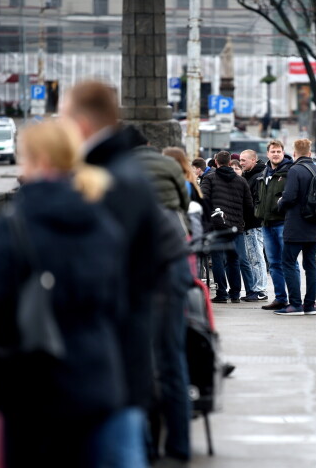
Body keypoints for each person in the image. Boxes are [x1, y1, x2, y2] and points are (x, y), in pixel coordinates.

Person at [0, 119, 128, 467]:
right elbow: (118, 300)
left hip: (33, 381)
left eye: (24, 158)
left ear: (42, 161)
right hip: (95, 374)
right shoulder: (101, 219)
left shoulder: (16, 222)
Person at [60, 80, 189, 465]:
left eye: (65, 115)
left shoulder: (110, 178)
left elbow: (106, 266)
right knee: (167, 363)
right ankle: (169, 444)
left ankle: (170, 446)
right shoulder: (118, 171)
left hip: (134, 315)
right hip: (155, 289)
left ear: (82, 122)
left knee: (164, 363)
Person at [124, 128, 193, 464]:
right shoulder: (167, 165)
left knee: (136, 363)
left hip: (139, 269)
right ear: (149, 145)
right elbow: (185, 200)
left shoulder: (118, 170)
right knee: (173, 359)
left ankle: (145, 446)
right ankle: (180, 445)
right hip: (173, 261)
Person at [200, 150, 257, 303]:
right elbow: (249, 206)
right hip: (236, 227)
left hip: (216, 226)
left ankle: (221, 293)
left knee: (217, 259)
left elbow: (203, 201)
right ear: (230, 162)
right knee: (234, 260)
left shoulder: (209, 178)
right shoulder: (241, 181)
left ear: (216, 162)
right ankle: (235, 294)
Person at [275, 138, 316, 316]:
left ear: (294, 153)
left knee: (287, 262)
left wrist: (280, 202)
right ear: (310, 153)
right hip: (314, 225)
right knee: (310, 264)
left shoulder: (295, 170)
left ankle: (295, 304)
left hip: (296, 225)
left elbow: (289, 197)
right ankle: (310, 305)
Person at [254, 139, 294, 311]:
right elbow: (259, 197)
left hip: (283, 223)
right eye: (273, 151)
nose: (276, 154)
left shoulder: (290, 172)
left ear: (283, 153)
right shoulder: (264, 173)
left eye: (279, 151)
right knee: (274, 263)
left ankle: (294, 299)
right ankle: (280, 298)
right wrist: (258, 211)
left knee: (288, 262)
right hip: (266, 223)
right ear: (268, 154)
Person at [240, 149, 269, 302]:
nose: (241, 162)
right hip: (252, 223)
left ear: (253, 160)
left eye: (244, 160)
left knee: (256, 257)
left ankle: (260, 289)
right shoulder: (251, 175)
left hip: (254, 223)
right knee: (253, 257)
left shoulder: (257, 177)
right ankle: (257, 288)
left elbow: (255, 203)